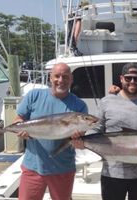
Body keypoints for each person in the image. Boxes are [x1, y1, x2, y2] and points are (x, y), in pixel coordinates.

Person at [75, 63, 137, 200]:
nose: (132, 81)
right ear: (121, 79)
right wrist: (81, 140)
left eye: (136, 78)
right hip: (112, 174)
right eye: (128, 78)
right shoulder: (106, 102)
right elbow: (96, 130)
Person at [14, 62, 88, 200]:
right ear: (50, 77)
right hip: (33, 166)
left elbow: (81, 135)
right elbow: (18, 119)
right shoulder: (33, 95)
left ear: (71, 79)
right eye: (57, 76)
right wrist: (20, 129)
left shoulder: (79, 106)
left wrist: (77, 137)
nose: (61, 80)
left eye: (65, 77)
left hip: (63, 168)